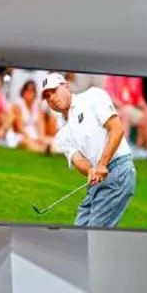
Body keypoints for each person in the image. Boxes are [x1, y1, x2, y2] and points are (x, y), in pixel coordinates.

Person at [43, 73, 137, 228]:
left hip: (119, 170)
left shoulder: (93, 96)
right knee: (79, 233)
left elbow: (116, 129)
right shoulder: (61, 133)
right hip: (96, 180)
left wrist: (102, 164)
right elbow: (78, 159)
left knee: (91, 236)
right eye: (47, 96)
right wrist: (90, 170)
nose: (52, 98)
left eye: (54, 91)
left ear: (66, 86)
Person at [1, 77, 55, 152]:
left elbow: (41, 124)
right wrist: (29, 137)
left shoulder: (37, 106)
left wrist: (41, 136)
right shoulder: (18, 105)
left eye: (31, 91)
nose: (29, 93)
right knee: (27, 142)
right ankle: (42, 150)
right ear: (23, 92)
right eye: (27, 90)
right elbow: (20, 127)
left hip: (35, 133)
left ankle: (48, 149)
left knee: (51, 140)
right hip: (22, 135)